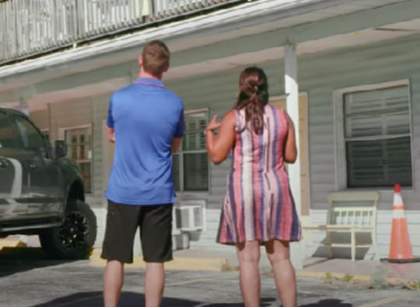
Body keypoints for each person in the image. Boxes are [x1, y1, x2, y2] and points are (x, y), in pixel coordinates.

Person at [205, 66, 301, 307]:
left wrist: (209, 133)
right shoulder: (283, 117)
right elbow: (290, 156)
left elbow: (217, 156)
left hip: (244, 190)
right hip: (276, 189)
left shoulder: (233, 118)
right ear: (266, 88)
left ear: (242, 88)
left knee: (248, 259)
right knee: (280, 258)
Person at [102, 39, 185, 307]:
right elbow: (174, 146)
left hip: (123, 191)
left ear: (140, 61)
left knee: (115, 257)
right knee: (155, 260)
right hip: (158, 192)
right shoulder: (175, 103)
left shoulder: (119, 98)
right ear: (168, 67)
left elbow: (111, 135)